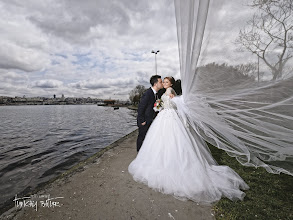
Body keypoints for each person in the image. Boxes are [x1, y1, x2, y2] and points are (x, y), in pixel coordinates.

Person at [129, 76, 249, 204]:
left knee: (172, 141)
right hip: (163, 117)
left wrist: (172, 102)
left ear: (171, 83)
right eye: (162, 81)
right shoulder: (162, 93)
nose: (163, 83)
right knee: (163, 142)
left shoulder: (170, 92)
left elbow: (175, 103)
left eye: (166, 81)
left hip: (170, 118)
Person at [136, 75, 164, 152]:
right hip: (144, 121)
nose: (162, 83)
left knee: (148, 139)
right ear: (155, 84)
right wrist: (142, 121)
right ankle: (139, 154)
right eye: (160, 82)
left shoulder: (156, 94)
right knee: (142, 138)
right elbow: (140, 108)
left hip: (151, 120)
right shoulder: (147, 94)